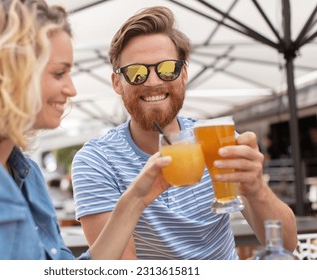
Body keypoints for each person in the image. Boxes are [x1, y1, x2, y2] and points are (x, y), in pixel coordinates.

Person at [0, 0, 173, 260]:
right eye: (59, 73)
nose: (71, 90)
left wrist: (136, 198)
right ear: (9, 69)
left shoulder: (28, 175)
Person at [71, 6, 298, 259]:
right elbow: (122, 269)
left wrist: (256, 189)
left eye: (168, 68)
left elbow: (286, 245)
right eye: (136, 73)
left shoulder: (216, 141)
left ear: (184, 74)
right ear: (117, 83)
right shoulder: (97, 161)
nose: (154, 81)